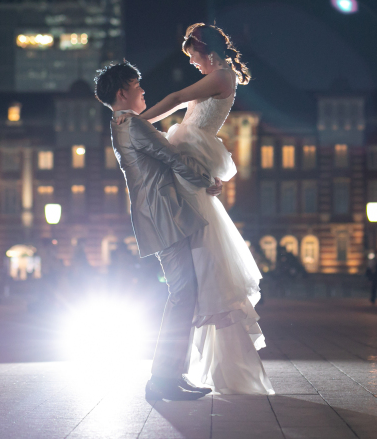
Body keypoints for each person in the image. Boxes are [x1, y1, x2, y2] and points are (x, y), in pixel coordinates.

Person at [116, 23, 274, 396]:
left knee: (194, 277)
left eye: (193, 57)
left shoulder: (221, 76)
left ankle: (172, 375)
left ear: (208, 51)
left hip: (189, 156)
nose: (192, 64)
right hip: (190, 158)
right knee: (193, 279)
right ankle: (173, 374)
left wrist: (139, 121)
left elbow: (175, 97)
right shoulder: (220, 76)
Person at [95, 60, 222, 402]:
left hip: (159, 215)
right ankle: (163, 378)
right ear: (122, 92)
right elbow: (173, 157)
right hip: (164, 215)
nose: (143, 92)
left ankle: (172, 375)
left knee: (184, 293)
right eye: (137, 86)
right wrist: (208, 180)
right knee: (182, 294)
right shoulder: (134, 125)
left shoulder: (119, 124)